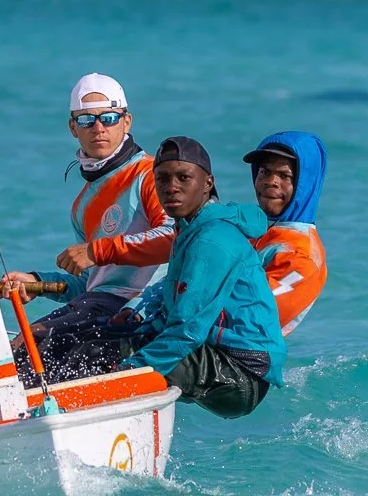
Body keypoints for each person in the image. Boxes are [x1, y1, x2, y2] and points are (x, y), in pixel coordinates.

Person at [0, 73, 173, 373]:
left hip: (142, 307)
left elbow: (173, 237)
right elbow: (92, 283)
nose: (99, 128)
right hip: (97, 304)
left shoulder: (149, 175)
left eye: (109, 118)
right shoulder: (81, 205)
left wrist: (97, 250)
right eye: (86, 121)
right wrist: (37, 282)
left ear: (126, 122)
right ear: (72, 128)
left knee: (34, 344)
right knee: (18, 348)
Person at [115, 137, 285, 419]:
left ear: (208, 183)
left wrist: (125, 375)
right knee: (102, 339)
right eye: (162, 179)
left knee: (114, 355)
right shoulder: (188, 229)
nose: (171, 187)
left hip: (243, 376)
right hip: (217, 353)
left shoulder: (211, 239)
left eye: (183, 177)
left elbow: (187, 331)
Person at [243, 131, 328, 336]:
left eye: (284, 176)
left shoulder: (303, 256)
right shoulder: (253, 228)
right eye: (264, 172)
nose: (271, 182)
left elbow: (254, 318)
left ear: (304, 184)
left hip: (239, 361)